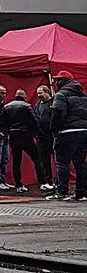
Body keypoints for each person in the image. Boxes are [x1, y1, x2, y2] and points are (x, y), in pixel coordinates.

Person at [0, 88, 48, 193]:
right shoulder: (27, 107)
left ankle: (18, 185)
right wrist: (34, 133)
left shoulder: (7, 107)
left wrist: (6, 132)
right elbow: (33, 121)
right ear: (25, 96)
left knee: (16, 161)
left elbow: (3, 122)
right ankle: (43, 182)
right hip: (25, 136)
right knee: (37, 159)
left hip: (13, 136)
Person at [49, 71, 87, 201]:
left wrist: (54, 130)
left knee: (61, 162)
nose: (56, 83)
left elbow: (58, 113)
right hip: (83, 131)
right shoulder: (83, 97)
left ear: (64, 81)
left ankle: (62, 191)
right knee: (80, 163)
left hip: (66, 132)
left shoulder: (61, 95)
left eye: (59, 80)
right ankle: (81, 192)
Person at [34, 85, 57, 192]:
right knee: (44, 160)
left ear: (47, 92)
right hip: (41, 137)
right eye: (37, 93)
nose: (38, 96)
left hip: (52, 136)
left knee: (58, 159)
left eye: (40, 93)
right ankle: (48, 181)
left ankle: (59, 181)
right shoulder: (37, 105)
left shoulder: (54, 103)